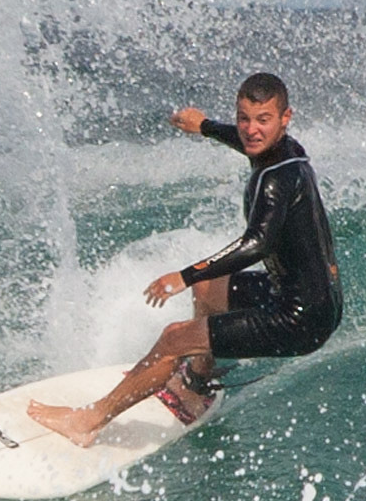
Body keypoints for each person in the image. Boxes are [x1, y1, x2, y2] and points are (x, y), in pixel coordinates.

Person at [27, 72, 343, 447]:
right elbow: (248, 144)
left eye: (263, 120)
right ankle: (197, 382)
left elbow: (255, 245)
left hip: (300, 319)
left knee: (174, 337)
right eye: (244, 118)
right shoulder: (287, 152)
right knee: (211, 288)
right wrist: (205, 126)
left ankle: (88, 422)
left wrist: (184, 276)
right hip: (309, 296)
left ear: (285, 118)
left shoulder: (276, 181)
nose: (251, 130)